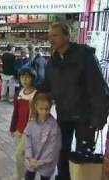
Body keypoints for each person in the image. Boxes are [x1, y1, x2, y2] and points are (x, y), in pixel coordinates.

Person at [42, 22, 109, 180]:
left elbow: (98, 87)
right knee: (61, 150)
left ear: (67, 36)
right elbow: (47, 86)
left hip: (84, 117)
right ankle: (64, 177)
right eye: (50, 36)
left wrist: (99, 117)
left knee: (83, 155)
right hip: (64, 114)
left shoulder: (84, 56)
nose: (51, 39)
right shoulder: (52, 61)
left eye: (55, 35)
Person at [24, 93, 61, 180]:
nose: (44, 112)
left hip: (46, 162)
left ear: (50, 107)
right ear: (36, 107)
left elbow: (53, 148)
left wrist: (40, 162)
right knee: (29, 176)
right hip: (32, 159)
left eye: (47, 109)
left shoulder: (54, 126)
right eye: (41, 109)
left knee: (45, 177)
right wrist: (30, 157)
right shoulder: (31, 123)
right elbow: (27, 141)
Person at [10, 68, 37, 180]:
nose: (24, 80)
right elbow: (15, 112)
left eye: (27, 77)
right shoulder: (18, 94)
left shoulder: (36, 95)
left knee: (19, 155)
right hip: (18, 130)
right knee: (21, 156)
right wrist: (12, 127)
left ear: (32, 79)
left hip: (30, 132)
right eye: (22, 77)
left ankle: (18, 177)